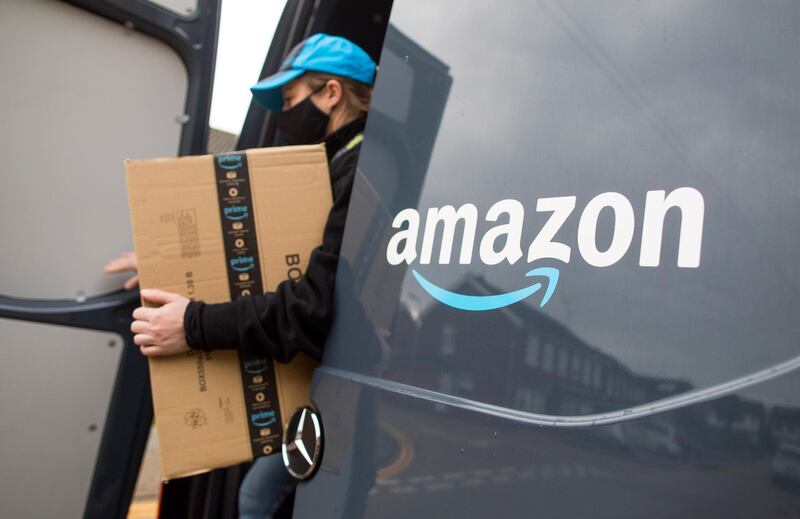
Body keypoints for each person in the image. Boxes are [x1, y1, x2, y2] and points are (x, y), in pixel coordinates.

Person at [105, 33, 376, 518]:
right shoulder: (330, 166)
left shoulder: (355, 171)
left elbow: (312, 305)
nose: (284, 114)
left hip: (342, 387)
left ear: (332, 93)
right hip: (326, 382)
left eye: (292, 100)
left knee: (257, 498)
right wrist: (167, 269)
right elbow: (270, 265)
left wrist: (193, 326)